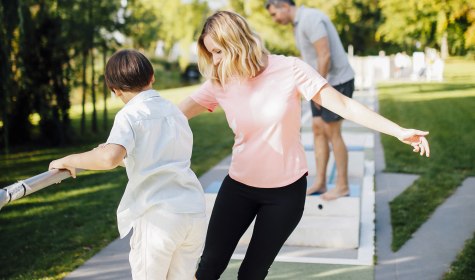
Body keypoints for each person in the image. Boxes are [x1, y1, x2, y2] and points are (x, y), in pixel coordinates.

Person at [178, 11, 429, 280]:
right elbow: (173, 115)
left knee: (252, 273)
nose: (215, 61)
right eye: (211, 53)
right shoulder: (220, 81)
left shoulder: (289, 69)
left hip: (285, 195)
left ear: (237, 42)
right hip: (238, 188)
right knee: (209, 267)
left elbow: (344, 105)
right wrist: (128, 139)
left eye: (218, 51)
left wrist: (398, 131)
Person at [49, 50, 207, 280]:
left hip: (158, 217)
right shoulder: (175, 112)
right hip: (192, 212)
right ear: (152, 77)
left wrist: (68, 160)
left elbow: (108, 158)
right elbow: (158, 154)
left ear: (115, 90)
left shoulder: (130, 114)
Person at [266, 0, 355, 200]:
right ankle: (321, 182)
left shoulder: (310, 19)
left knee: (333, 132)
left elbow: (325, 55)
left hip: (337, 82)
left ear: (284, 6)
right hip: (320, 83)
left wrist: (316, 89)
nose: (275, 19)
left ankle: (343, 185)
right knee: (317, 129)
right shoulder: (298, 25)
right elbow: (310, 57)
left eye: (274, 14)